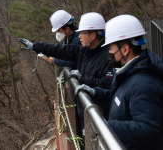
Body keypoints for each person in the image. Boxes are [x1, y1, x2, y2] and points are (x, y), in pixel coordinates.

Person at [18, 12, 113, 149]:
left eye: (83, 33)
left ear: (92, 35)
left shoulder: (108, 57)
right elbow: (60, 50)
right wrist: (35, 46)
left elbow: (107, 85)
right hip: (86, 114)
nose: (79, 36)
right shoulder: (83, 51)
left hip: (100, 117)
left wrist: (82, 79)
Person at [75, 15, 163, 150]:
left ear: (125, 49)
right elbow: (121, 99)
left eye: (110, 48)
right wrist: (95, 92)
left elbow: (148, 129)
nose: (108, 53)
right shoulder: (129, 72)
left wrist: (105, 126)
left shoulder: (143, 84)